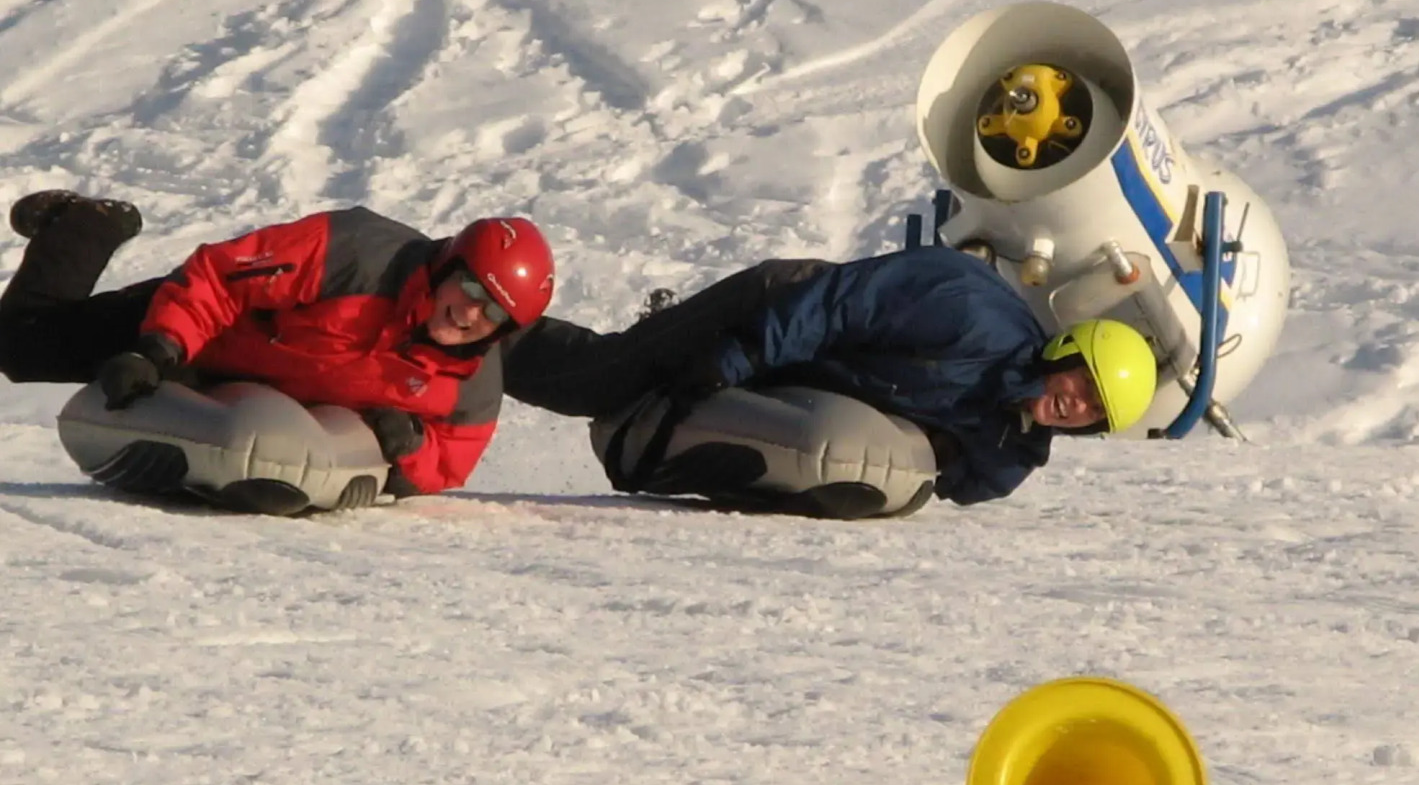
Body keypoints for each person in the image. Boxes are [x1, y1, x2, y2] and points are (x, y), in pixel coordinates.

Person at [501, 247, 1157, 508]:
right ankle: (480, 330)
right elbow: (836, 305)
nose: (1076, 405)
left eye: (1095, 411)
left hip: (807, 375)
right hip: (778, 313)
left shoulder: (1011, 453)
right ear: (1066, 351)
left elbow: (951, 482)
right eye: (1083, 384)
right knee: (597, 382)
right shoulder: (970, 311)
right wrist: (734, 357)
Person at [0, 190, 554, 497]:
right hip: (203, 340)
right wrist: (159, 348)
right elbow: (221, 276)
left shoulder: (471, 381)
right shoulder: (356, 255)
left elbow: (454, 458)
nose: (471, 313)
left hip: (261, 399)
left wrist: (410, 448)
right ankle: (86, 223)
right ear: (448, 265)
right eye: (472, 288)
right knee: (22, 346)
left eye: (494, 311)